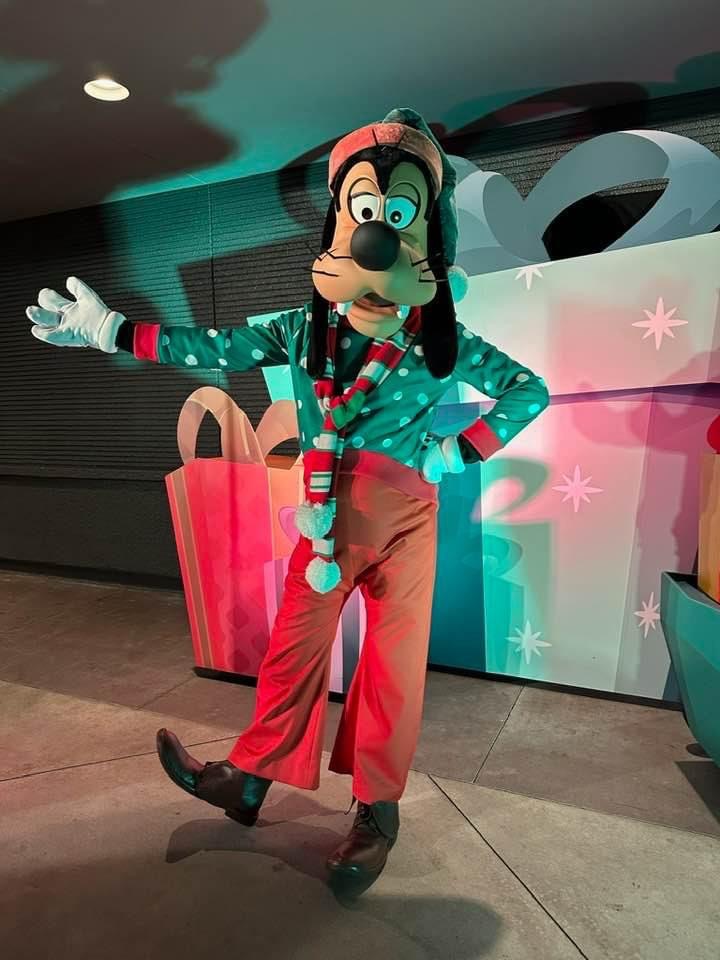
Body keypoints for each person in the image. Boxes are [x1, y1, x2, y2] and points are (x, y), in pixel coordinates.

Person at [26, 107, 549, 892]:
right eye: (365, 210)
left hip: (407, 522)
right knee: (291, 656)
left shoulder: (440, 338)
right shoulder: (301, 328)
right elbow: (211, 345)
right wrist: (114, 333)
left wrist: (456, 451)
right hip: (327, 522)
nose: (376, 235)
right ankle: (247, 783)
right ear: (342, 220)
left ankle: (377, 814)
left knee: (393, 671)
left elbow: (527, 390)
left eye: (397, 215)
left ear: (426, 234)